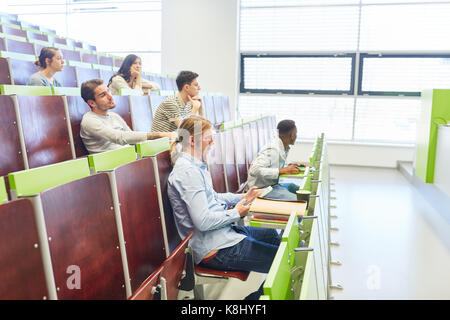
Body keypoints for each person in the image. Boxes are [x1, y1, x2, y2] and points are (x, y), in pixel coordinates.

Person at [167, 115, 281, 300]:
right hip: (214, 249)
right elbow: (203, 222)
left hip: (222, 234)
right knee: (283, 263)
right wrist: (237, 212)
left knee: (271, 236)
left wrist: (244, 196)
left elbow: (213, 197)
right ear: (194, 140)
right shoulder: (188, 172)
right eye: (207, 137)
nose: (212, 141)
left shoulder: (196, 166)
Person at [80, 79, 174, 154]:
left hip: (129, 156)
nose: (110, 96)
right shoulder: (89, 121)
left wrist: (164, 142)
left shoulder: (114, 116)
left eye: (108, 91)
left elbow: (134, 139)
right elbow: (119, 138)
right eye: (103, 95)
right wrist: (159, 135)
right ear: (92, 103)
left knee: (172, 147)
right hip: (111, 165)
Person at [247, 119, 307, 201]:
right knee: (298, 200)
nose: (296, 136)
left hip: (273, 186)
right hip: (262, 189)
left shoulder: (282, 146)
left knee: (295, 188)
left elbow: (272, 165)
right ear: (292, 135)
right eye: (296, 134)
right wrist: (281, 171)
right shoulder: (273, 149)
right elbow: (254, 170)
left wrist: (289, 167)